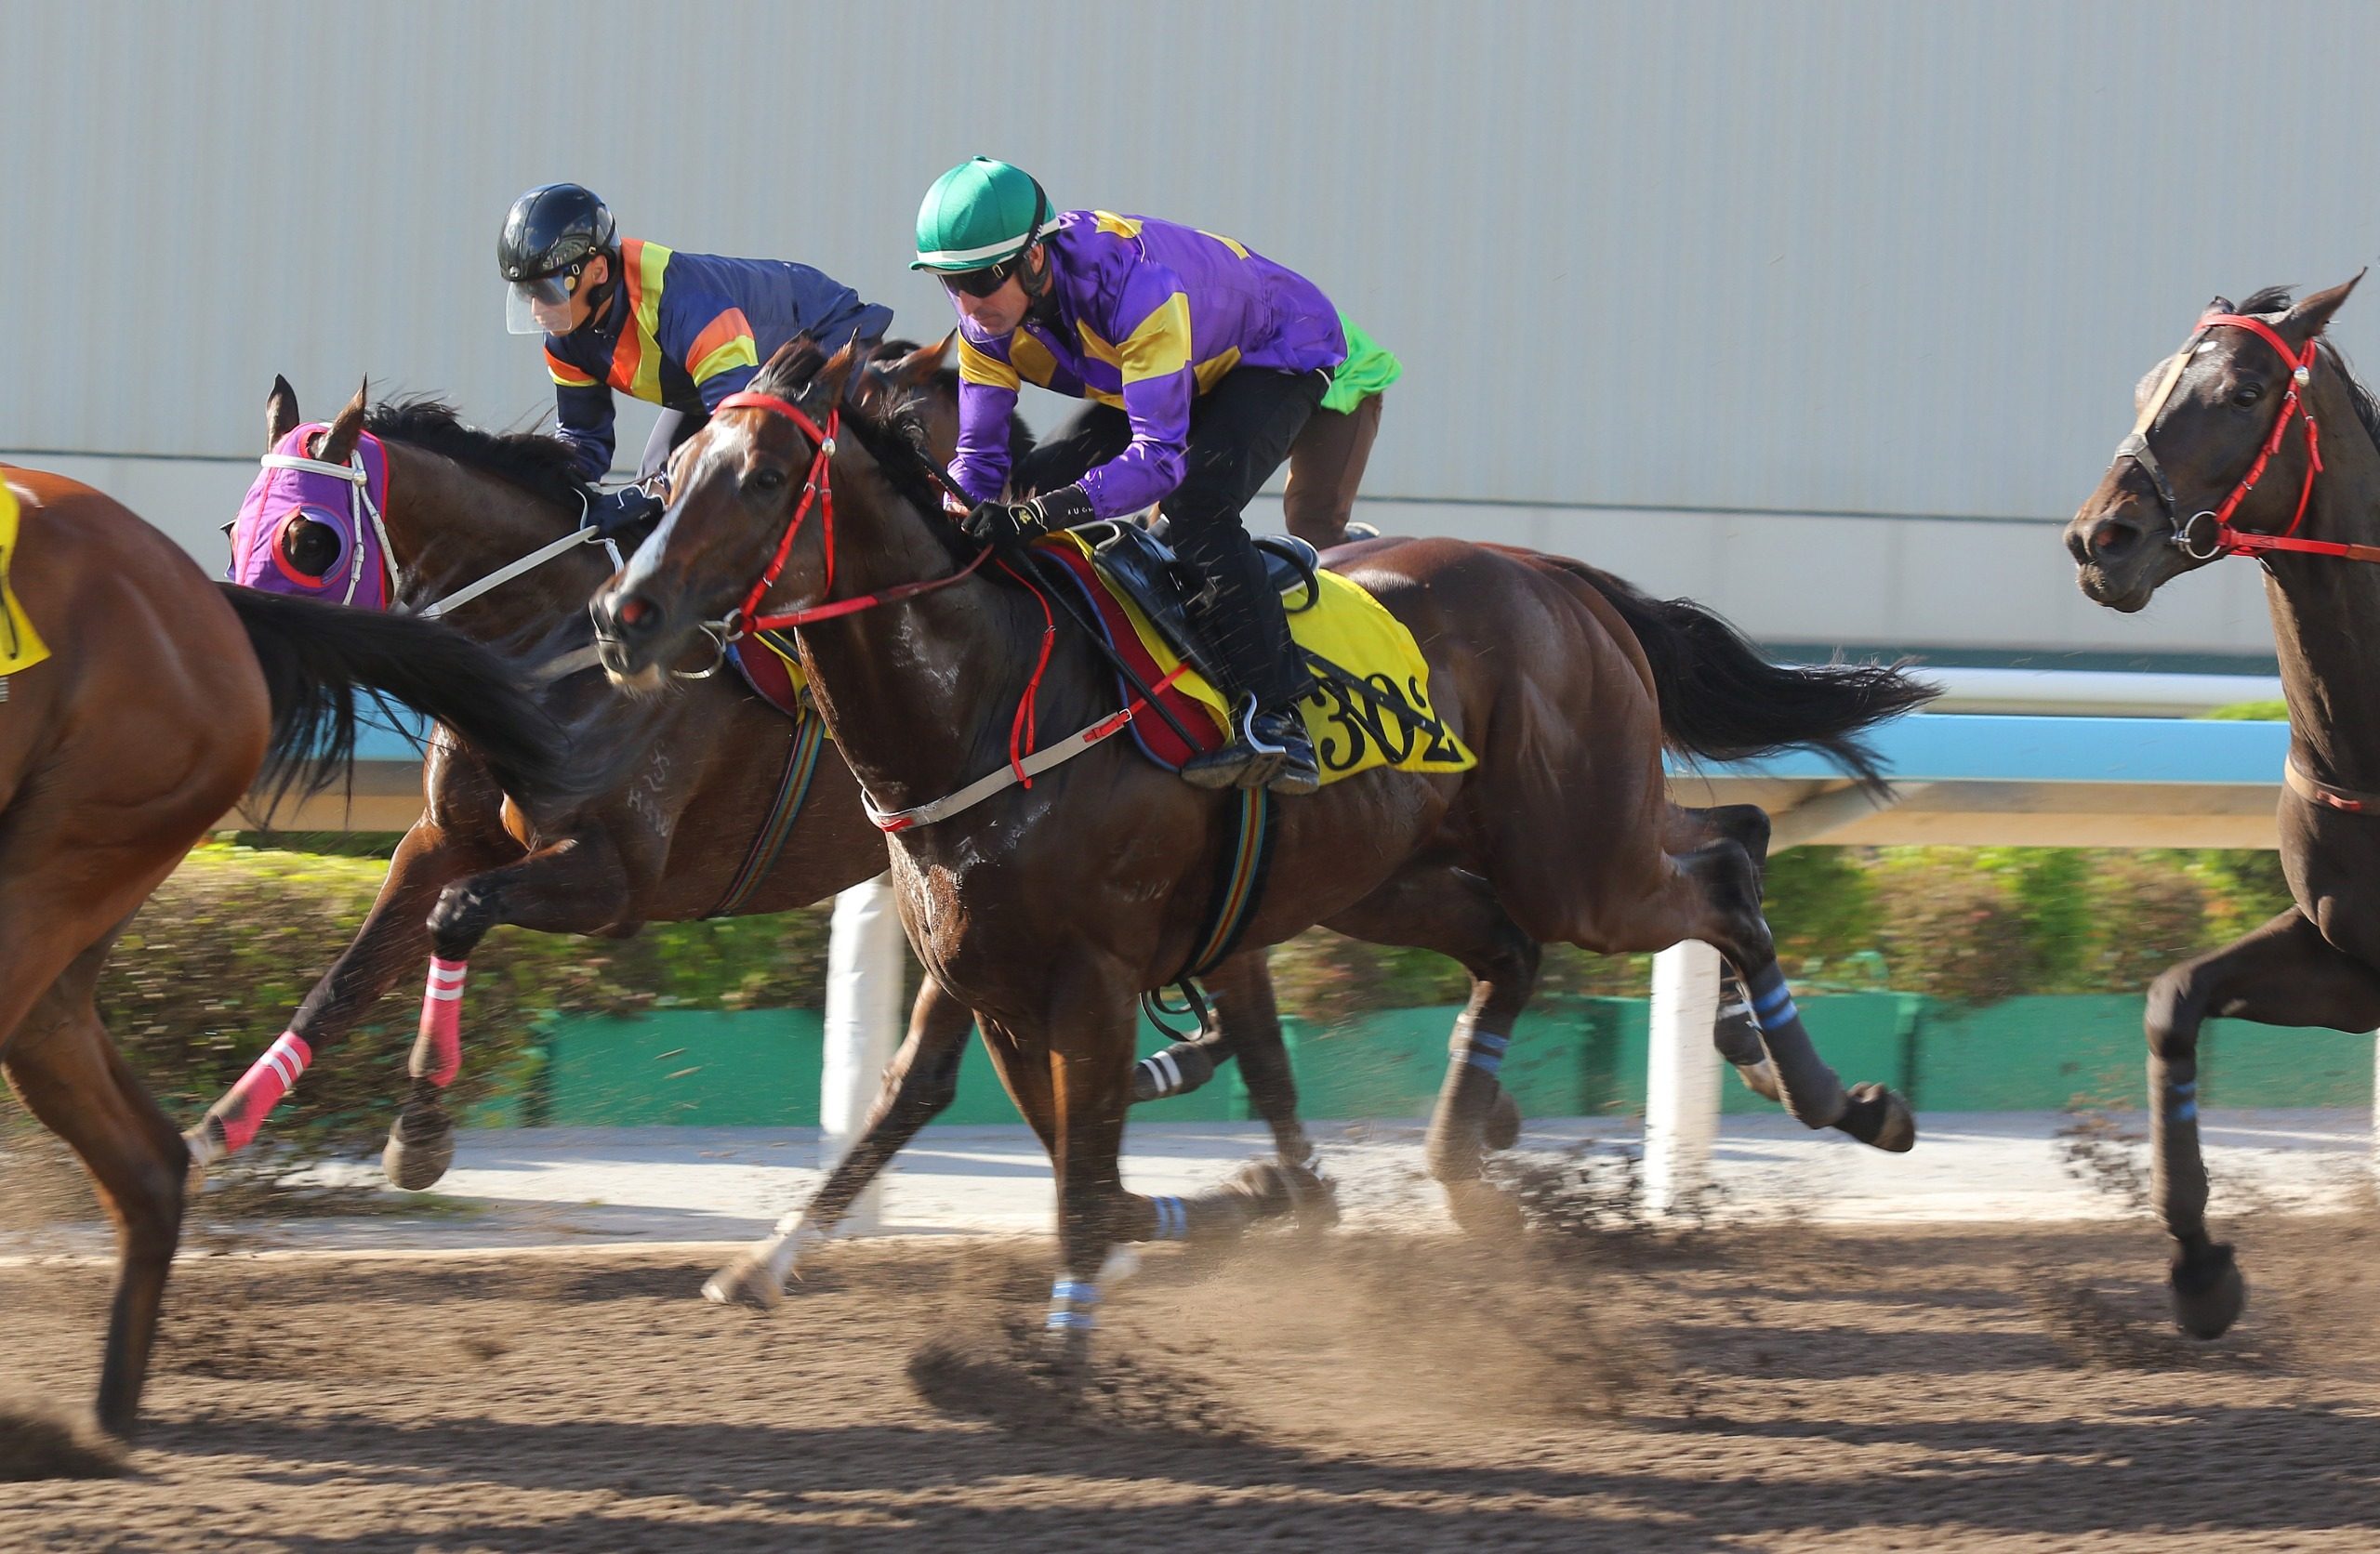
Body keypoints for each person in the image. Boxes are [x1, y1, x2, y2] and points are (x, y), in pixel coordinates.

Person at [912, 157, 1398, 796]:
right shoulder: (984, 324)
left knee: (1197, 505)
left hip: (1274, 348)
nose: (969, 302)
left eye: (981, 278)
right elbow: (979, 458)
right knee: (1028, 488)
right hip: (1170, 363)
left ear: (1034, 258)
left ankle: (1278, 720)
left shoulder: (1135, 286)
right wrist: (942, 528)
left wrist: (1036, 518)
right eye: (951, 283)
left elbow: (1158, 461)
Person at [500, 182, 893, 530]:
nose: (537, 310)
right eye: (527, 294)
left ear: (598, 270)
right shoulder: (564, 337)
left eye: (549, 291)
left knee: (744, 483)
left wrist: (659, 490)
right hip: (724, 382)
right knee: (650, 482)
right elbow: (583, 441)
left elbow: (737, 442)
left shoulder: (686, 306)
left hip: (827, 332)